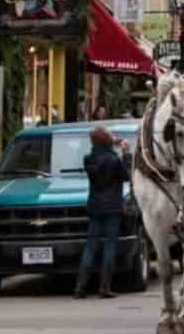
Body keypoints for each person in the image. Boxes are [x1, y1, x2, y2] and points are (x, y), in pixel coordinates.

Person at [75, 127, 132, 299]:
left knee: (90, 246)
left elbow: (102, 148)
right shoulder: (114, 160)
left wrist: (112, 142)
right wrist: (126, 154)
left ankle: (80, 288)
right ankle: (104, 287)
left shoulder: (89, 159)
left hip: (95, 206)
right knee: (109, 246)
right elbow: (126, 175)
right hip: (112, 208)